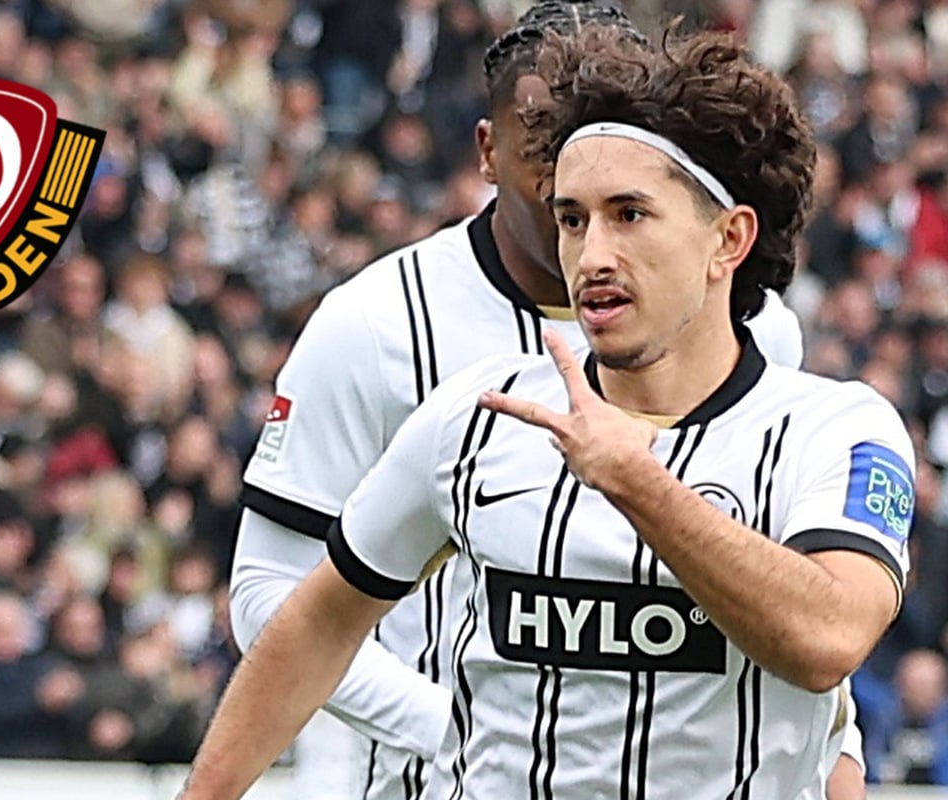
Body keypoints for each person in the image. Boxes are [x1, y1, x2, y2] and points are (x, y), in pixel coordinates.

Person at [182, 24, 909, 800]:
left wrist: (637, 480)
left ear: (728, 239)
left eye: (629, 214)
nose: (591, 256)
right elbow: (313, 620)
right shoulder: (476, 414)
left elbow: (828, 639)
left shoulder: (839, 430)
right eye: (572, 219)